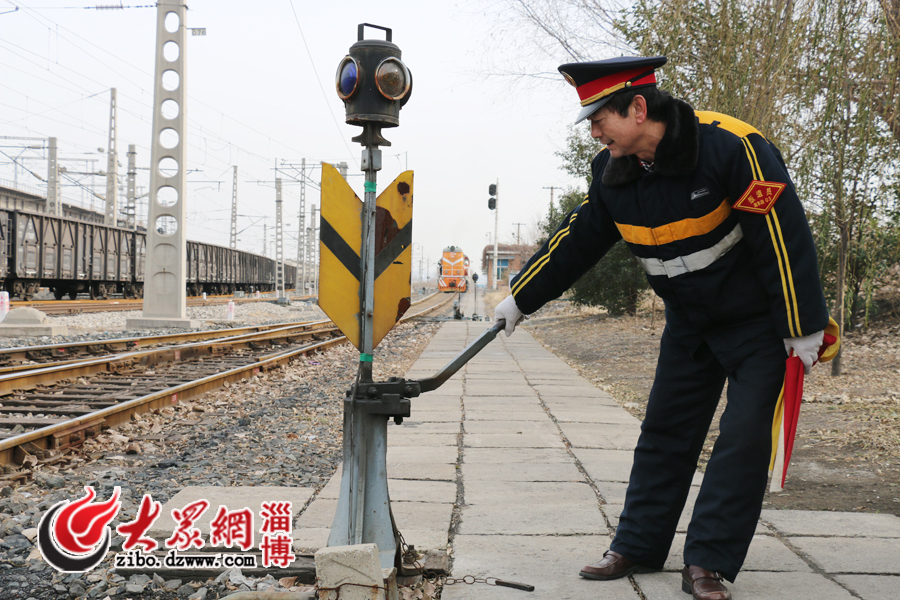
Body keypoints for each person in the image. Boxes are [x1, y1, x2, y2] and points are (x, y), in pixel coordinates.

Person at [494, 56, 835, 600]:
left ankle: (707, 563)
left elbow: (782, 235)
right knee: (664, 433)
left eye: (599, 119)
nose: (594, 131)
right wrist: (521, 297)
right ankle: (638, 545)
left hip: (760, 327)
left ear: (637, 108)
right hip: (690, 324)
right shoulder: (613, 171)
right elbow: (578, 238)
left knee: (743, 440)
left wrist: (802, 325)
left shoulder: (732, 147)